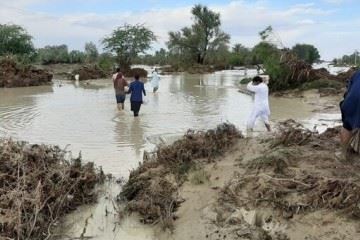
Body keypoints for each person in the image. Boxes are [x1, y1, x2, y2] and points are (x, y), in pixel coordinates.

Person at [340, 70, 360, 154]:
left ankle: (343, 154)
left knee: (347, 126)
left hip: (351, 101)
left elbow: (348, 91)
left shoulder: (356, 74)